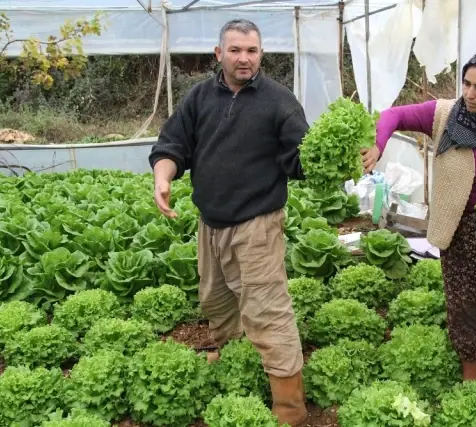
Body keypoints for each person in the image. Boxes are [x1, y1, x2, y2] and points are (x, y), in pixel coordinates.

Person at [149, 18, 309, 426]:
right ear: (218, 54)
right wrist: (163, 177)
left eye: (252, 51)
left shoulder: (280, 102)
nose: (244, 58)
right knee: (216, 300)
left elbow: (301, 159)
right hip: (211, 221)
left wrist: (336, 157)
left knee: (267, 310)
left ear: (261, 55)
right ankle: (237, 358)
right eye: (235, 50)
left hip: (257, 223)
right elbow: (172, 144)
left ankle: (289, 406)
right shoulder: (200, 97)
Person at [367, 47, 476, 399]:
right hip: (460, 232)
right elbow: (392, 115)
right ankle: (475, 379)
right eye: (466, 83)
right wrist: (378, 144)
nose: (470, 93)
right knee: (467, 307)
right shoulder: (443, 115)